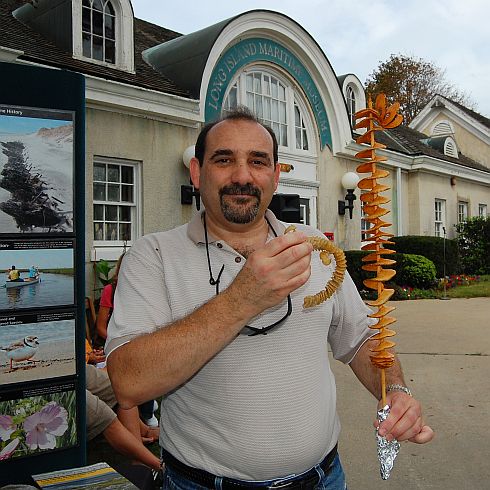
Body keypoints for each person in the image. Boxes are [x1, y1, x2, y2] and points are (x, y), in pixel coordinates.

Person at [106, 107, 434, 489]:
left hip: (322, 480)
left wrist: (394, 388)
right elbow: (128, 382)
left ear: (276, 177)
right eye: (224, 159)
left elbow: (361, 339)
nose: (242, 176)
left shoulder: (314, 249)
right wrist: (242, 299)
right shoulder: (153, 255)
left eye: (258, 161)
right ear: (197, 173)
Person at [97, 255, 159, 428]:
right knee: (140, 363)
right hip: (117, 343)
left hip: (142, 341)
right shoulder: (111, 290)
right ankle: (145, 409)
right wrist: (119, 342)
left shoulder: (148, 289)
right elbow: (101, 327)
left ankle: (145, 406)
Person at [85, 340, 161, 471]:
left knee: (121, 389)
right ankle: (157, 466)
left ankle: (140, 448)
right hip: (44, 382)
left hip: (68, 367)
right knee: (103, 415)